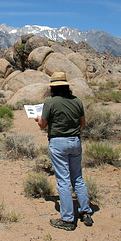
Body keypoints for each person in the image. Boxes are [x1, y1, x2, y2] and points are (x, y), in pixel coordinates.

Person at [35, 72, 93, 231]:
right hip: (75, 141)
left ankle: (67, 219)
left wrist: (37, 119)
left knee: (63, 180)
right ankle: (86, 211)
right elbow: (83, 123)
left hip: (58, 143)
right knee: (78, 177)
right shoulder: (77, 101)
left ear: (53, 88)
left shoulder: (50, 103)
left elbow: (43, 125)